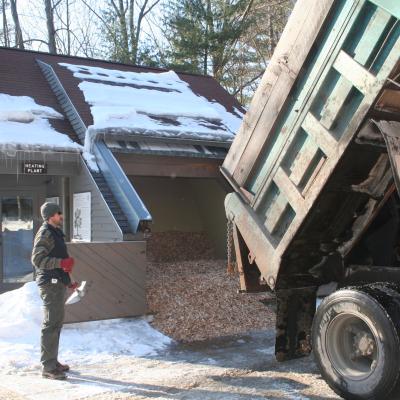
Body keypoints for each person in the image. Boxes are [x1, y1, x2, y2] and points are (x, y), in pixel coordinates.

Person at [31, 202, 77, 380]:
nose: (61, 216)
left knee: (56, 323)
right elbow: (37, 259)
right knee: (50, 324)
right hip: (49, 284)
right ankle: (48, 367)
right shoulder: (45, 233)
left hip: (57, 283)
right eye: (58, 213)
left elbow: (61, 264)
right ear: (51, 215)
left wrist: (69, 282)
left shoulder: (55, 232)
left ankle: (53, 361)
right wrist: (60, 263)